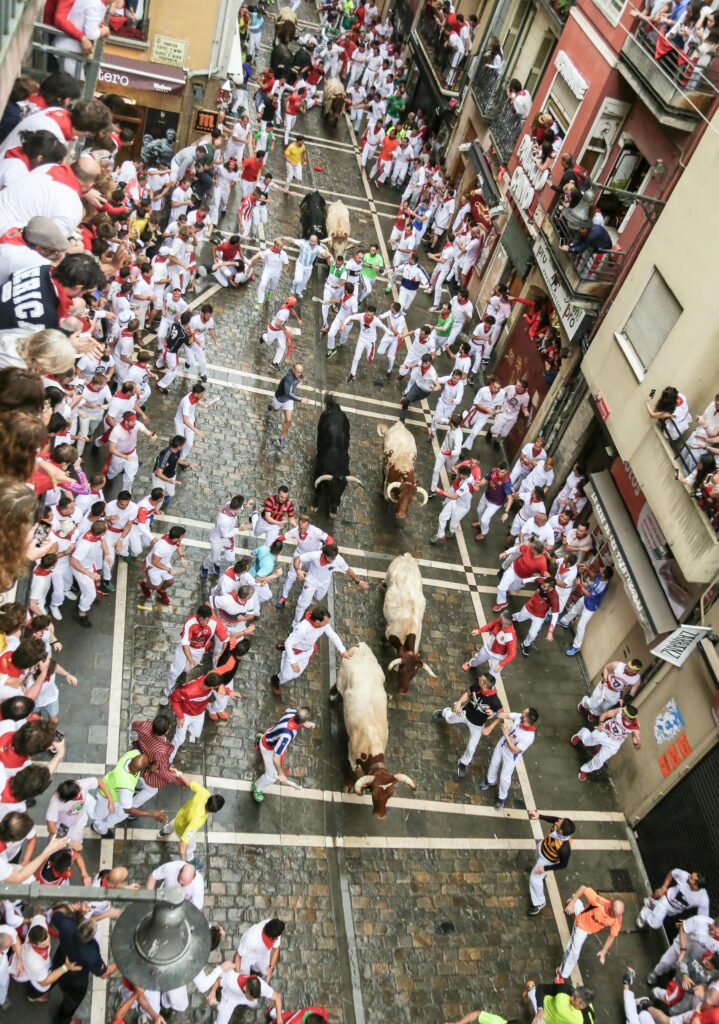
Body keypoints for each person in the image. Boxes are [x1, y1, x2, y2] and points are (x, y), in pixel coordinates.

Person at [432, 673, 505, 779]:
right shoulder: (476, 686)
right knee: (449, 719)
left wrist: (490, 728)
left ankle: (463, 763)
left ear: (484, 685)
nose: (479, 678)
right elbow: (468, 693)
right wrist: (459, 702)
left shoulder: (495, 701)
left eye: (481, 679)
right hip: (464, 714)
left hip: (477, 725)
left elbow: (502, 714)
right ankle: (445, 712)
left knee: (471, 748)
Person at [50, 908, 115, 1024]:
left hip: (59, 962)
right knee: (71, 1003)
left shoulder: (66, 925)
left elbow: (55, 914)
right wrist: (121, 962)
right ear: (92, 937)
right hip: (75, 982)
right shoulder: (91, 954)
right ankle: (61, 1021)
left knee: (50, 979)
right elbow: (104, 974)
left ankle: (42, 991)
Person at [272, 606, 351, 696]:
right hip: (295, 652)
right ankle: (275, 679)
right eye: (325, 621)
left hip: (307, 651)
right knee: (287, 675)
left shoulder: (324, 625)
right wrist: (293, 662)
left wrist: (342, 650)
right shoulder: (302, 628)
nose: (327, 623)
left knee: (296, 673)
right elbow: (289, 643)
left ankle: (280, 676)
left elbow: (333, 635)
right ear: (317, 621)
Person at [91, 749, 167, 838]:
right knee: (114, 816)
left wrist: (149, 766)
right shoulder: (126, 787)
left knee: (151, 789)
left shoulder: (133, 754)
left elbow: (141, 759)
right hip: (106, 798)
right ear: (141, 771)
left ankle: (99, 825)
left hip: (110, 784)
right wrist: (152, 814)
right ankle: (99, 828)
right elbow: (127, 810)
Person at [556, 884, 624, 982]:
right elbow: (583, 888)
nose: (618, 918)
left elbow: (612, 936)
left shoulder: (618, 918)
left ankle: (575, 901)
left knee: (581, 910)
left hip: (589, 923)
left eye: (619, 915)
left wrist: (604, 951)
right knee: (574, 952)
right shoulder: (598, 902)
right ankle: (561, 973)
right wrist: (571, 904)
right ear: (611, 910)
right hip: (581, 926)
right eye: (616, 915)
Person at [291, 542, 369, 628]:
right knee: (303, 604)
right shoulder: (315, 555)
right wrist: (298, 570)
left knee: (318, 597)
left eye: (334, 558)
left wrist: (358, 582)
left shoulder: (338, 559)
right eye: (330, 558)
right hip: (311, 581)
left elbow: (348, 570)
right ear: (324, 554)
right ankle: (294, 624)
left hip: (325, 582)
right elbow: (298, 558)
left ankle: (311, 595)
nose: (332, 560)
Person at [252, 706, 316, 803]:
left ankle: (261, 740)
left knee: (277, 745)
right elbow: (275, 757)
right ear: (304, 722)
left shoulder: (292, 712)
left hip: (269, 734)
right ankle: (257, 787)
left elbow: (287, 710)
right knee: (272, 776)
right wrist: (281, 774)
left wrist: (304, 723)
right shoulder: (287, 736)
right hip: (268, 748)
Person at [479, 707, 539, 809]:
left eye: (524, 712)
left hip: (511, 755)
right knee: (494, 763)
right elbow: (507, 715)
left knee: (504, 777)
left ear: (526, 718)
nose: (522, 712)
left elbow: (515, 750)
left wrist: (506, 735)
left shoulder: (529, 737)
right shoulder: (520, 717)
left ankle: (502, 797)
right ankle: (490, 780)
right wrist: (494, 714)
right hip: (502, 745)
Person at [159, 780, 225, 864]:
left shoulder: (204, 793)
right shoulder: (197, 820)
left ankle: (163, 832)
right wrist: (183, 864)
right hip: (181, 830)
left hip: (179, 817)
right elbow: (183, 843)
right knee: (192, 845)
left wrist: (179, 774)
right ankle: (190, 858)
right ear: (215, 811)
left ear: (211, 797)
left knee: (173, 823)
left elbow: (188, 782)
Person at [571, 703, 641, 781]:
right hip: (605, 731)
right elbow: (605, 715)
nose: (622, 712)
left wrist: (636, 743)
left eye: (624, 713)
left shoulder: (635, 728)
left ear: (628, 717)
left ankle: (586, 770)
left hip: (614, 743)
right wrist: (600, 724)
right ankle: (581, 734)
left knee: (599, 760)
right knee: (587, 741)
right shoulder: (619, 711)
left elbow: (638, 747)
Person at [526, 810, 576, 916]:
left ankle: (539, 902)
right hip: (543, 847)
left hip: (547, 860)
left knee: (534, 879)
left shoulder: (564, 848)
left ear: (561, 831)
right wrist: (539, 816)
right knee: (536, 859)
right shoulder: (560, 824)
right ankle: (542, 874)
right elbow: (554, 819)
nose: (557, 821)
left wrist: (545, 868)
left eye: (559, 822)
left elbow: (563, 865)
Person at [647, 915, 719, 986]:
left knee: (683, 973)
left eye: (716, 933)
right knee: (665, 962)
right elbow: (683, 929)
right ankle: (656, 972)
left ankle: (672, 980)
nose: (712, 932)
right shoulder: (700, 920)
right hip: (681, 946)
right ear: (713, 922)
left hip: (696, 958)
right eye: (712, 929)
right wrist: (683, 950)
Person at [559, 565, 614, 656]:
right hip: (585, 599)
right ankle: (564, 622)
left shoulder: (602, 587)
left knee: (581, 626)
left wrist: (580, 584)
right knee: (574, 610)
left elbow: (589, 595)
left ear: (603, 574)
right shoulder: (600, 576)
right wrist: (587, 569)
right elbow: (594, 575)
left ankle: (576, 646)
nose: (600, 568)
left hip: (590, 606)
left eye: (602, 569)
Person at [637, 868, 710, 931]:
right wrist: (663, 887)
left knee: (659, 914)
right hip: (666, 901)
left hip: (674, 911)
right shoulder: (684, 875)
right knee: (655, 924)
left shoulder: (703, 899)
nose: (688, 876)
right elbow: (672, 872)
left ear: (695, 886)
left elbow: (702, 919)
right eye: (691, 875)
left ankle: (651, 903)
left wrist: (689, 923)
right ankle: (644, 914)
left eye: (691, 878)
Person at [208, 968, 282, 1024]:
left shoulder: (262, 986)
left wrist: (279, 1019)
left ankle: (250, 1001)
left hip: (244, 998)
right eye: (250, 997)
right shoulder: (231, 980)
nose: (251, 999)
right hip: (230, 998)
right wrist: (213, 991)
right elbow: (219, 981)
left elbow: (277, 997)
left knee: (253, 1003)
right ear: (245, 988)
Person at [578, 659, 643, 721]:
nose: (626, 668)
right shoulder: (618, 665)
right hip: (605, 686)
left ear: (635, 671)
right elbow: (606, 668)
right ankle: (584, 704)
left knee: (603, 708)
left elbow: (632, 694)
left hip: (615, 694)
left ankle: (594, 714)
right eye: (627, 666)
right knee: (593, 703)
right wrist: (605, 680)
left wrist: (624, 700)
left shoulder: (637, 680)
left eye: (629, 668)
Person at [512, 577, 559, 656]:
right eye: (542, 584)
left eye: (544, 586)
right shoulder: (542, 582)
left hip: (539, 617)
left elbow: (555, 615)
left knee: (532, 634)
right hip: (528, 608)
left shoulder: (554, 597)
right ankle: (511, 618)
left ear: (551, 588)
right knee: (519, 618)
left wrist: (550, 631)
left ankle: (526, 644)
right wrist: (524, 581)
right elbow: (535, 579)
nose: (542, 586)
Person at [431, 463, 475, 544]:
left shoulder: (466, 486)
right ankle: (440, 535)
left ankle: (451, 531)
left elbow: (453, 496)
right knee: (442, 517)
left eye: (459, 473)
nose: (457, 474)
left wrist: (440, 491)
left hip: (462, 507)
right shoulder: (469, 476)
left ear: (463, 475)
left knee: (453, 524)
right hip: (455, 502)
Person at [268, 363, 304, 450]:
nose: (299, 374)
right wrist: (300, 400)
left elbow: (299, 379)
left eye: (301, 372)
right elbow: (288, 394)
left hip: (288, 400)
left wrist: (299, 381)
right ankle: (272, 405)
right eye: (298, 372)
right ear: (293, 370)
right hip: (280, 399)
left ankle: (282, 437)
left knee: (288, 420)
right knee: (275, 409)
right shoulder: (288, 378)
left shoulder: (299, 375)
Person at [523, 980, 594, 1024]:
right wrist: (540, 1009)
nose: (571, 997)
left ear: (582, 1005)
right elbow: (541, 988)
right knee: (533, 992)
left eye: (575, 999)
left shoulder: (586, 1019)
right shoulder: (566, 988)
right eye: (573, 995)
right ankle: (531, 986)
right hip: (542, 1008)